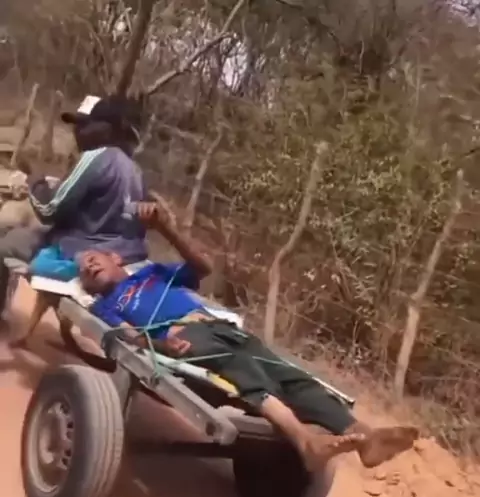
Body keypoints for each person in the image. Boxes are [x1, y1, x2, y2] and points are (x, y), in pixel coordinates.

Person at [79, 205, 419, 474]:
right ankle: (305, 443)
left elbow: (202, 266)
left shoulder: (152, 273)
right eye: (83, 270)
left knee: (290, 375)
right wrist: (163, 344)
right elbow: (127, 335)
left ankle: (365, 437)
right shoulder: (106, 304)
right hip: (184, 337)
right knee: (244, 369)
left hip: (221, 327)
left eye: (94, 258)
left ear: (117, 258)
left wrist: (164, 227)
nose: (89, 265)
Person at [0, 94, 149, 314]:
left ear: (107, 129)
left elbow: (48, 210)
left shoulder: (96, 156)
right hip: (124, 256)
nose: (77, 131)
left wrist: (35, 181)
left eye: (85, 124)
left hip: (85, 257)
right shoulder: (135, 169)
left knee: (6, 242)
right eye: (76, 125)